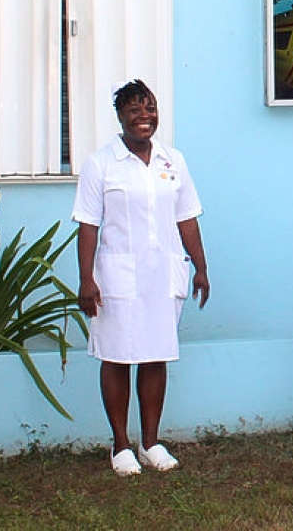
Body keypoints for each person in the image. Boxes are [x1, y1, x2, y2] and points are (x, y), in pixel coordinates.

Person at [72, 79, 211, 475]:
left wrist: (200, 267)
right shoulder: (101, 163)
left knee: (155, 355)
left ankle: (151, 442)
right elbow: (87, 225)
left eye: (149, 108)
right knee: (116, 358)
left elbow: (186, 217)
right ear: (120, 116)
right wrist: (86, 279)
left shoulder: (174, 161)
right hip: (116, 276)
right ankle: (120, 445)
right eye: (134, 110)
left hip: (163, 273)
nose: (144, 116)